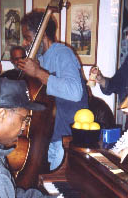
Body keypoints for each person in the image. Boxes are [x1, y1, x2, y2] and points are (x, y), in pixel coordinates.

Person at [18, 10, 89, 170]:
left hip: (63, 142)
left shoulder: (63, 54)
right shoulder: (40, 59)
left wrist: (38, 73)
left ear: (41, 36)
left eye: (27, 38)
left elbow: (75, 92)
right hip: (46, 138)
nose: (24, 43)